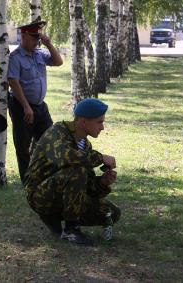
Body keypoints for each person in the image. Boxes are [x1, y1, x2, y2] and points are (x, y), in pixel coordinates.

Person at [25, 98, 121, 245]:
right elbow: (64, 158)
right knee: (77, 170)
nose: (102, 127)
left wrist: (102, 183)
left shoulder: (85, 145)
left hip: (62, 194)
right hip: (40, 195)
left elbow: (86, 187)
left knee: (111, 212)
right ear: (83, 122)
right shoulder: (57, 132)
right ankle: (71, 230)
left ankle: (56, 218)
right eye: (99, 122)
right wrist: (100, 157)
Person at [8, 20, 63, 184]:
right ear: (24, 36)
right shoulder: (15, 57)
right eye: (34, 38)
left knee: (51, 140)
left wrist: (49, 44)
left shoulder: (39, 53)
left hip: (40, 106)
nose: (36, 41)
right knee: (23, 146)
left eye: (38, 38)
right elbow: (13, 81)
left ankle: (47, 175)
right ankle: (27, 182)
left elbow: (59, 61)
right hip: (22, 107)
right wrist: (25, 106)